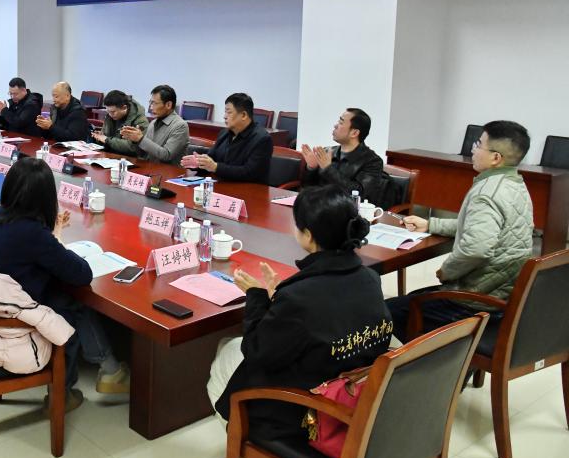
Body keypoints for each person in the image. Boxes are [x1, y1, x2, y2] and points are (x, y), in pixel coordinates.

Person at [207, 185, 392, 439]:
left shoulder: (299, 296)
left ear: (308, 235)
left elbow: (257, 353)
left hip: (309, 415)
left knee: (226, 352)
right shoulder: (370, 278)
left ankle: (248, 445)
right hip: (356, 394)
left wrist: (257, 297)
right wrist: (279, 299)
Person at [0, 158, 129, 408]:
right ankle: (64, 394)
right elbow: (82, 274)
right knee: (73, 306)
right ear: (45, 198)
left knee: (66, 297)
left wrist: (53, 235)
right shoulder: (32, 233)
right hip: (13, 314)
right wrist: (54, 238)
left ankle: (109, 369)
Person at [387, 121, 533, 343]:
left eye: (479, 144)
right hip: (501, 293)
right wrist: (431, 225)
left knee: (386, 312)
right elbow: (479, 227)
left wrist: (447, 270)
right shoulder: (516, 184)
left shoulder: (487, 193)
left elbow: (476, 249)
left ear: (496, 158)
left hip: (475, 302)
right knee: (411, 300)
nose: (473, 149)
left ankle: (435, 360)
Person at [300, 108, 388, 204]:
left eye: (341, 123)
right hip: (319, 205)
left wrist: (328, 169)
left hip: (346, 210)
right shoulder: (327, 152)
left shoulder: (373, 162)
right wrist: (311, 168)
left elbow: (358, 194)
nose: (335, 125)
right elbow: (307, 188)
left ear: (354, 133)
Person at [181, 93, 273, 184]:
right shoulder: (224, 133)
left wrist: (215, 167)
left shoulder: (262, 139)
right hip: (222, 186)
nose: (224, 116)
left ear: (244, 115)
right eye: (225, 112)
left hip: (249, 190)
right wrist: (199, 163)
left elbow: (250, 172)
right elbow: (211, 158)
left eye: (229, 112)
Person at [120, 84, 188, 165]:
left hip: (169, 171)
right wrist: (135, 141)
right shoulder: (153, 123)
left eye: (154, 103)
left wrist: (140, 139)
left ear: (168, 105)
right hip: (150, 169)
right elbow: (144, 154)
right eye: (150, 103)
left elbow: (167, 155)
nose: (151, 107)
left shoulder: (180, 126)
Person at [92, 90, 148, 156]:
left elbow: (133, 148)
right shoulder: (110, 116)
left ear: (124, 107)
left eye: (113, 112)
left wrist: (106, 140)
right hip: (110, 155)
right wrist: (99, 138)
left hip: (130, 159)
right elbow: (105, 137)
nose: (110, 114)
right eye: (108, 111)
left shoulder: (140, 121)